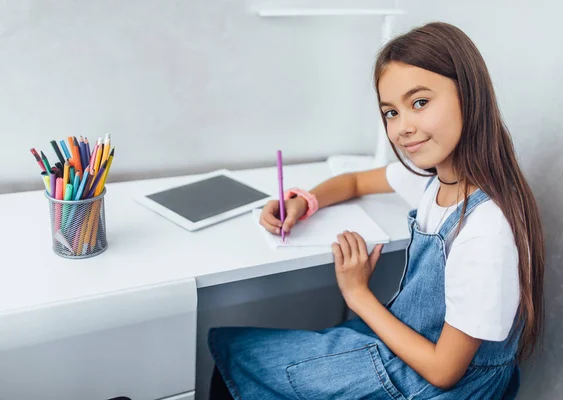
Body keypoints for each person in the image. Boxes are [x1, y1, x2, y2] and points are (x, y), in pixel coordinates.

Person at [208, 21, 545, 399]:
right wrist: (303, 202)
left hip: (436, 382)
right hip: (414, 349)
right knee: (247, 357)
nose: (402, 127)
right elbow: (354, 182)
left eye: (419, 103)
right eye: (390, 112)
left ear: (470, 95)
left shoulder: (486, 232)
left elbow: (444, 371)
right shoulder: (437, 179)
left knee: (240, 359)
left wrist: (357, 294)